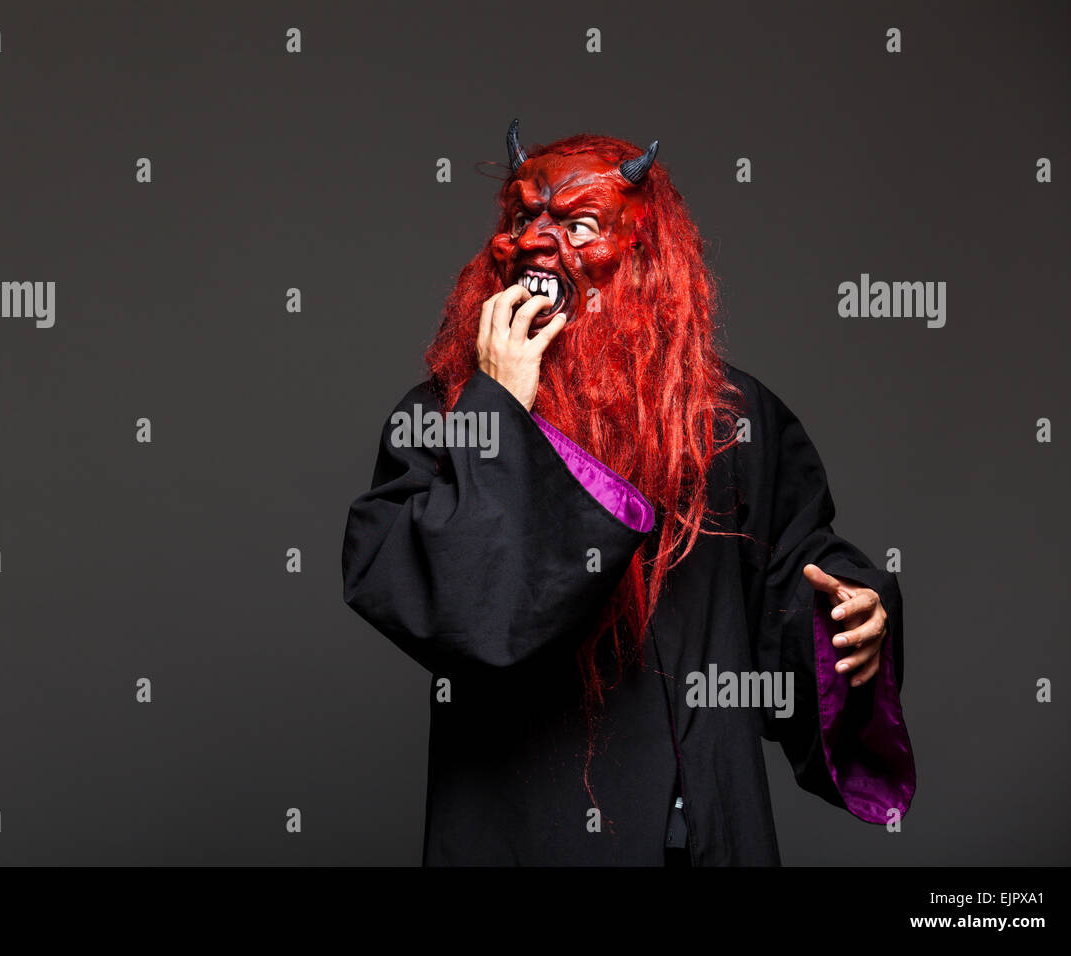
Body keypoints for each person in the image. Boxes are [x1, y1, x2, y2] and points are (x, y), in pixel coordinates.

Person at [341, 119, 915, 866]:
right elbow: (461, 613)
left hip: (701, 832)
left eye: (581, 224)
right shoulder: (442, 419)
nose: (542, 243)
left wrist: (851, 613)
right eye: (524, 218)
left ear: (647, 257)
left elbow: (798, 573)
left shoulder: (732, 422)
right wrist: (499, 411)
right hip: (526, 836)